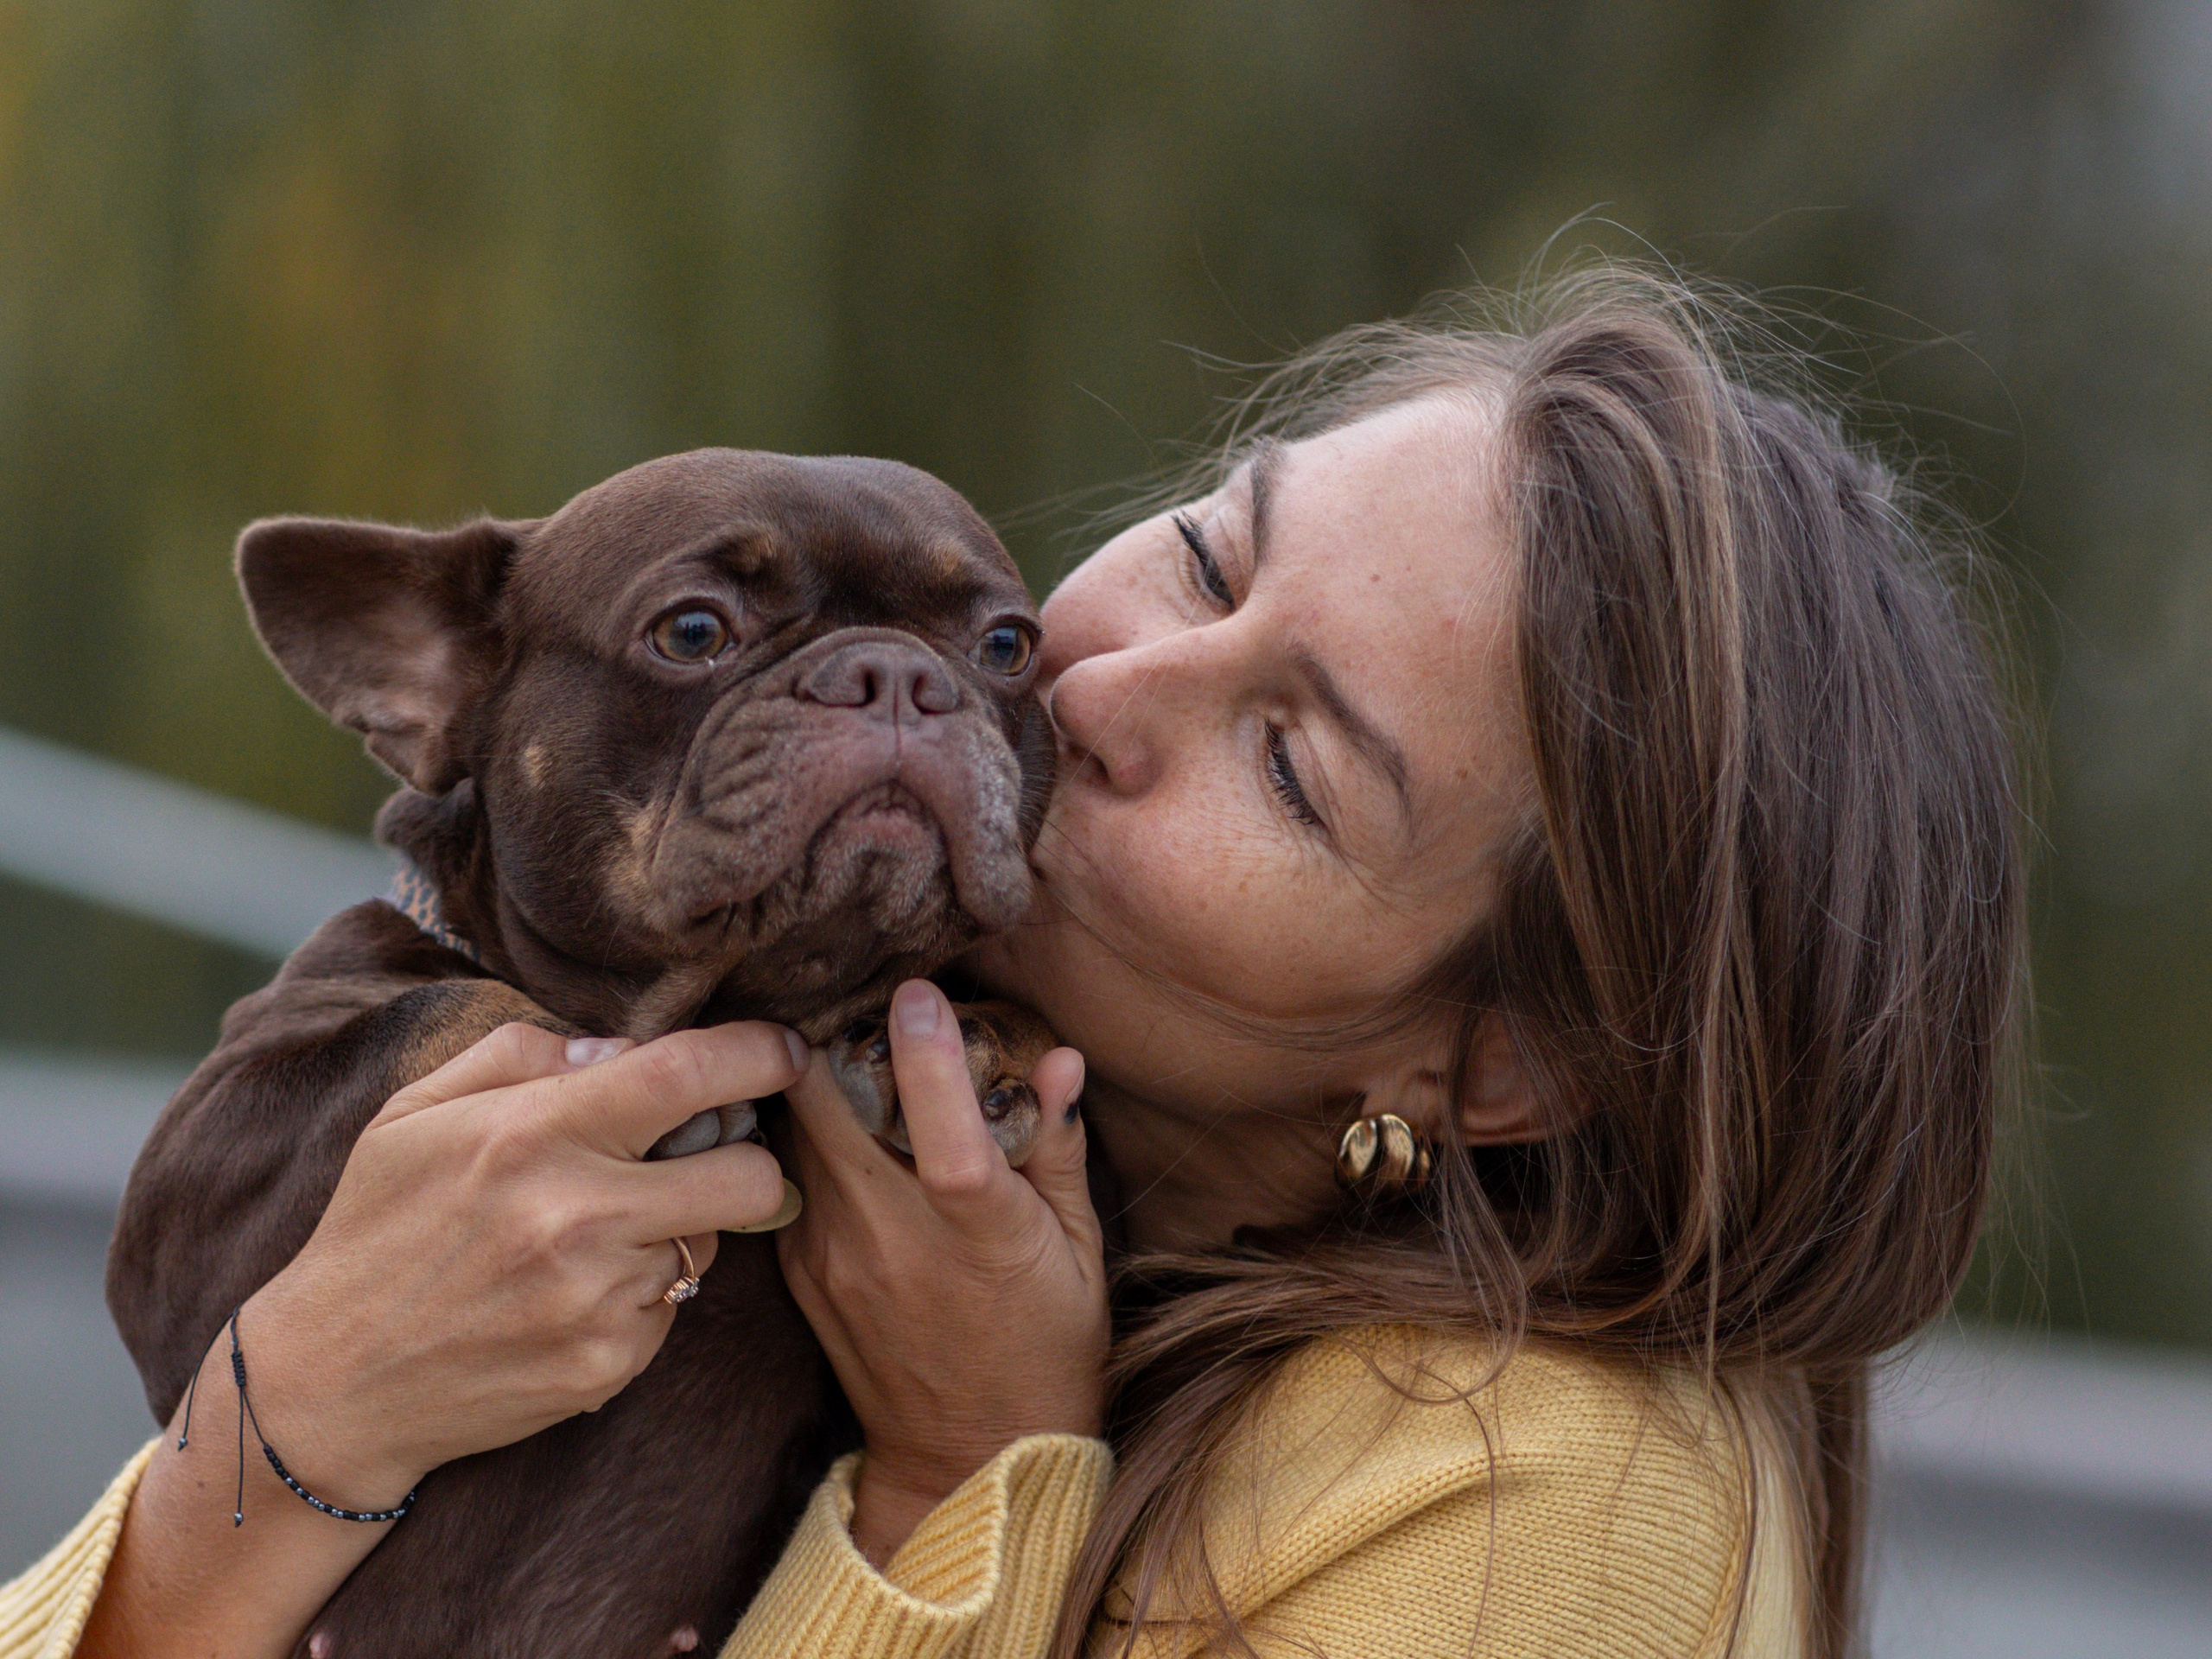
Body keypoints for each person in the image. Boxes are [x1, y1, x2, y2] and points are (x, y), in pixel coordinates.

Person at [3, 270, 2025, 1659]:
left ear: (1492, 1070)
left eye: (1291, 765)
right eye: (1211, 556)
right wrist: (276, 1452)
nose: (1109, 682)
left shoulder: (1537, 1510)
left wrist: (962, 1480)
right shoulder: (815, 1127)